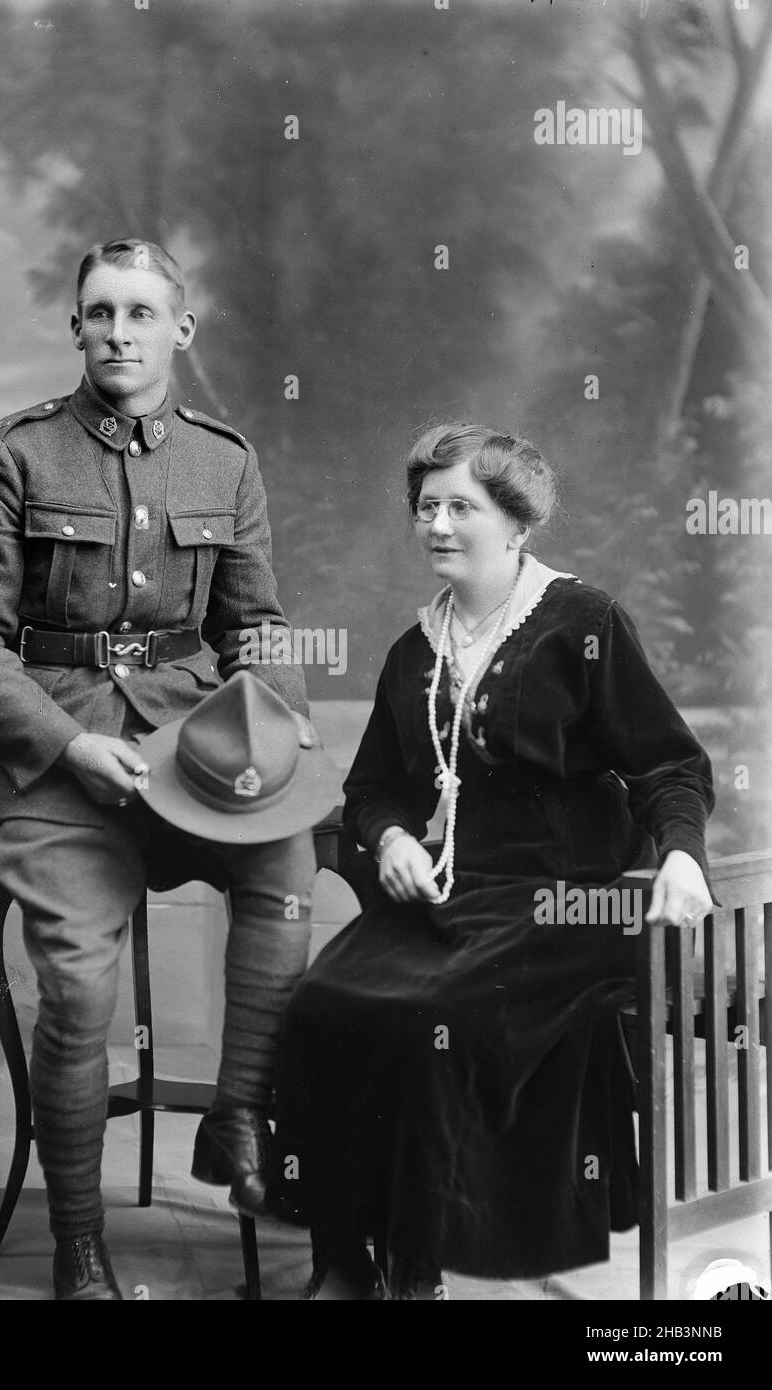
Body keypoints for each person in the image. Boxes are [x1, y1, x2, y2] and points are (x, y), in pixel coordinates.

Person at [0, 237, 323, 1300]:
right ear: (77, 328)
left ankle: (237, 1114)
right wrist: (64, 743)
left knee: (285, 863)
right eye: (100, 313)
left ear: (179, 330)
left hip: (187, 748)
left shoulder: (223, 460)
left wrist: (275, 719)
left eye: (141, 314)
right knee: (82, 991)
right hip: (57, 759)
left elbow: (257, 626)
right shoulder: (14, 454)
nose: (119, 333)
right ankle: (80, 1243)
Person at [268, 422, 715, 1300]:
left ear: (516, 524)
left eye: (460, 507)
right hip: (456, 891)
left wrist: (684, 858)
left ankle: (417, 1268)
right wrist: (393, 837)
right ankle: (343, 1253)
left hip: (571, 901)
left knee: (427, 1021)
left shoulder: (582, 625)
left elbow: (668, 765)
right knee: (321, 1001)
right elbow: (371, 790)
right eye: (427, 506)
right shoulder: (413, 652)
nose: (437, 523)